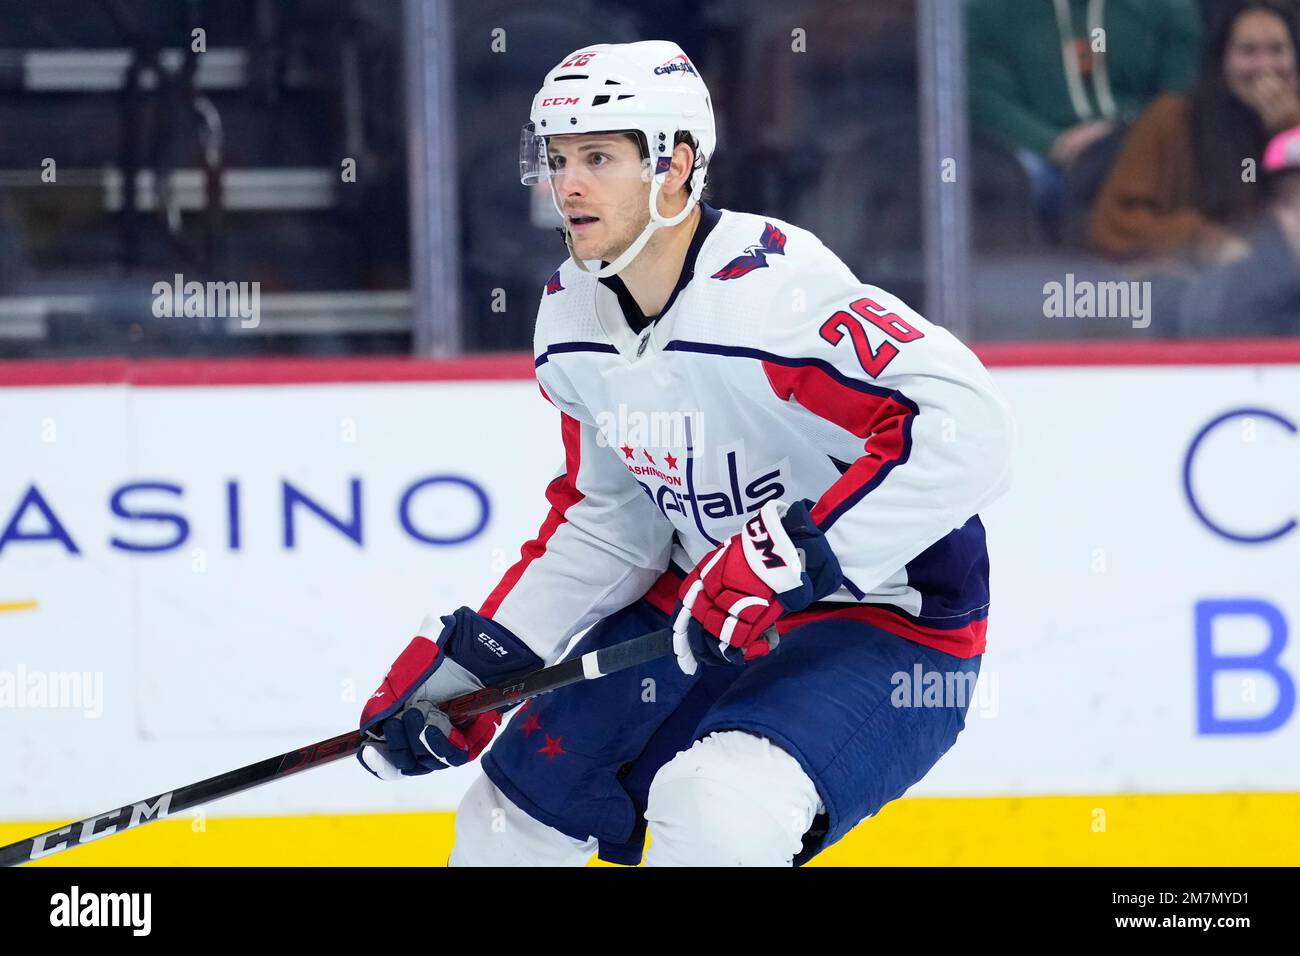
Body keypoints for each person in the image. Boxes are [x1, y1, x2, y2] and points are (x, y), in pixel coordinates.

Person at [356, 41, 1016, 867]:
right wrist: (486, 659)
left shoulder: (775, 297)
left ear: (676, 164)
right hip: (703, 610)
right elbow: (612, 523)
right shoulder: (571, 320)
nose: (568, 185)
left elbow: (970, 429)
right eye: (557, 158)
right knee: (508, 817)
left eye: (598, 157)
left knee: (714, 808)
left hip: (888, 621)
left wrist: (801, 553)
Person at [1089, 0, 1300, 268]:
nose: (1265, 66)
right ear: (1221, 59)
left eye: (1277, 50)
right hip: (1188, 286)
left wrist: (1290, 132)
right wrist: (1202, 240)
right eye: (1248, 52)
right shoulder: (1172, 119)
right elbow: (1113, 224)